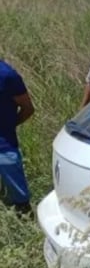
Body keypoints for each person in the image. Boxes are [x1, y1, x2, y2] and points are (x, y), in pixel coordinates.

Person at [0, 59, 35, 216]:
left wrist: (8, 127)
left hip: (4, 147)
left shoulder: (7, 75)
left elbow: (27, 108)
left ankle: (26, 221)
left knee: (20, 201)